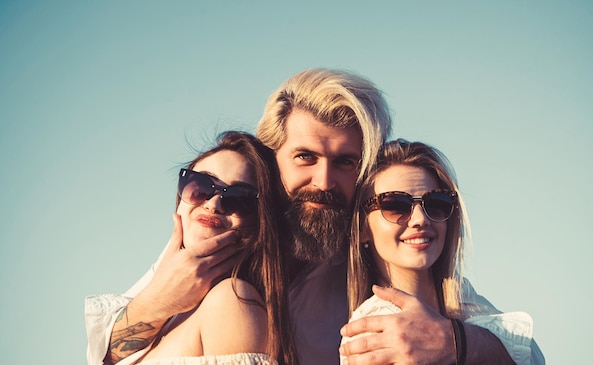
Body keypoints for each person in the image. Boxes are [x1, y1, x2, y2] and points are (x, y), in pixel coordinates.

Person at [86, 68, 540, 365]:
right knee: (232, 302)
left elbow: (526, 355)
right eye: (305, 156)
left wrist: (453, 343)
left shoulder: (383, 265)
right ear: (273, 158)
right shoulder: (226, 246)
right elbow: (103, 354)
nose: (323, 180)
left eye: (345, 162)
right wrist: (157, 303)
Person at [87, 131, 297, 365]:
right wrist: (158, 301)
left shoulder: (233, 301)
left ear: (262, 221)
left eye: (240, 198)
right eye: (200, 186)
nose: (213, 204)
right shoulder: (168, 311)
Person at [341, 139, 545, 364]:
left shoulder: (466, 300)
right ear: (362, 229)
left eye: (436, 203)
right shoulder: (374, 329)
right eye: (395, 205)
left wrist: (456, 341)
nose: (420, 219)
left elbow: (532, 356)